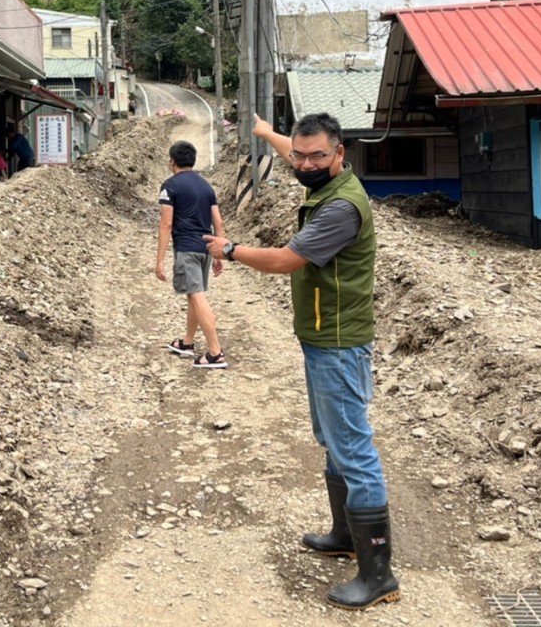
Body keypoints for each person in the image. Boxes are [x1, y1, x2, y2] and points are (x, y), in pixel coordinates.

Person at [204, 112, 400, 611]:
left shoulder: (341, 208)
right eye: (300, 155)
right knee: (331, 439)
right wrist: (264, 129)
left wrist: (230, 247)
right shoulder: (320, 175)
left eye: (317, 156)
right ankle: (342, 533)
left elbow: (286, 260)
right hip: (321, 336)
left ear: (340, 154)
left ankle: (378, 575)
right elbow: (287, 145)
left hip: (338, 342)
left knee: (353, 447)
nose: (306, 164)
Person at [156, 140, 228, 369]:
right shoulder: (207, 187)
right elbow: (219, 222)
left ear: (172, 161)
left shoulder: (170, 186)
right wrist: (219, 254)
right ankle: (187, 343)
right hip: (206, 248)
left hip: (186, 248)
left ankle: (216, 352)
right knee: (193, 295)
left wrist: (159, 261)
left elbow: (166, 224)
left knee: (196, 295)